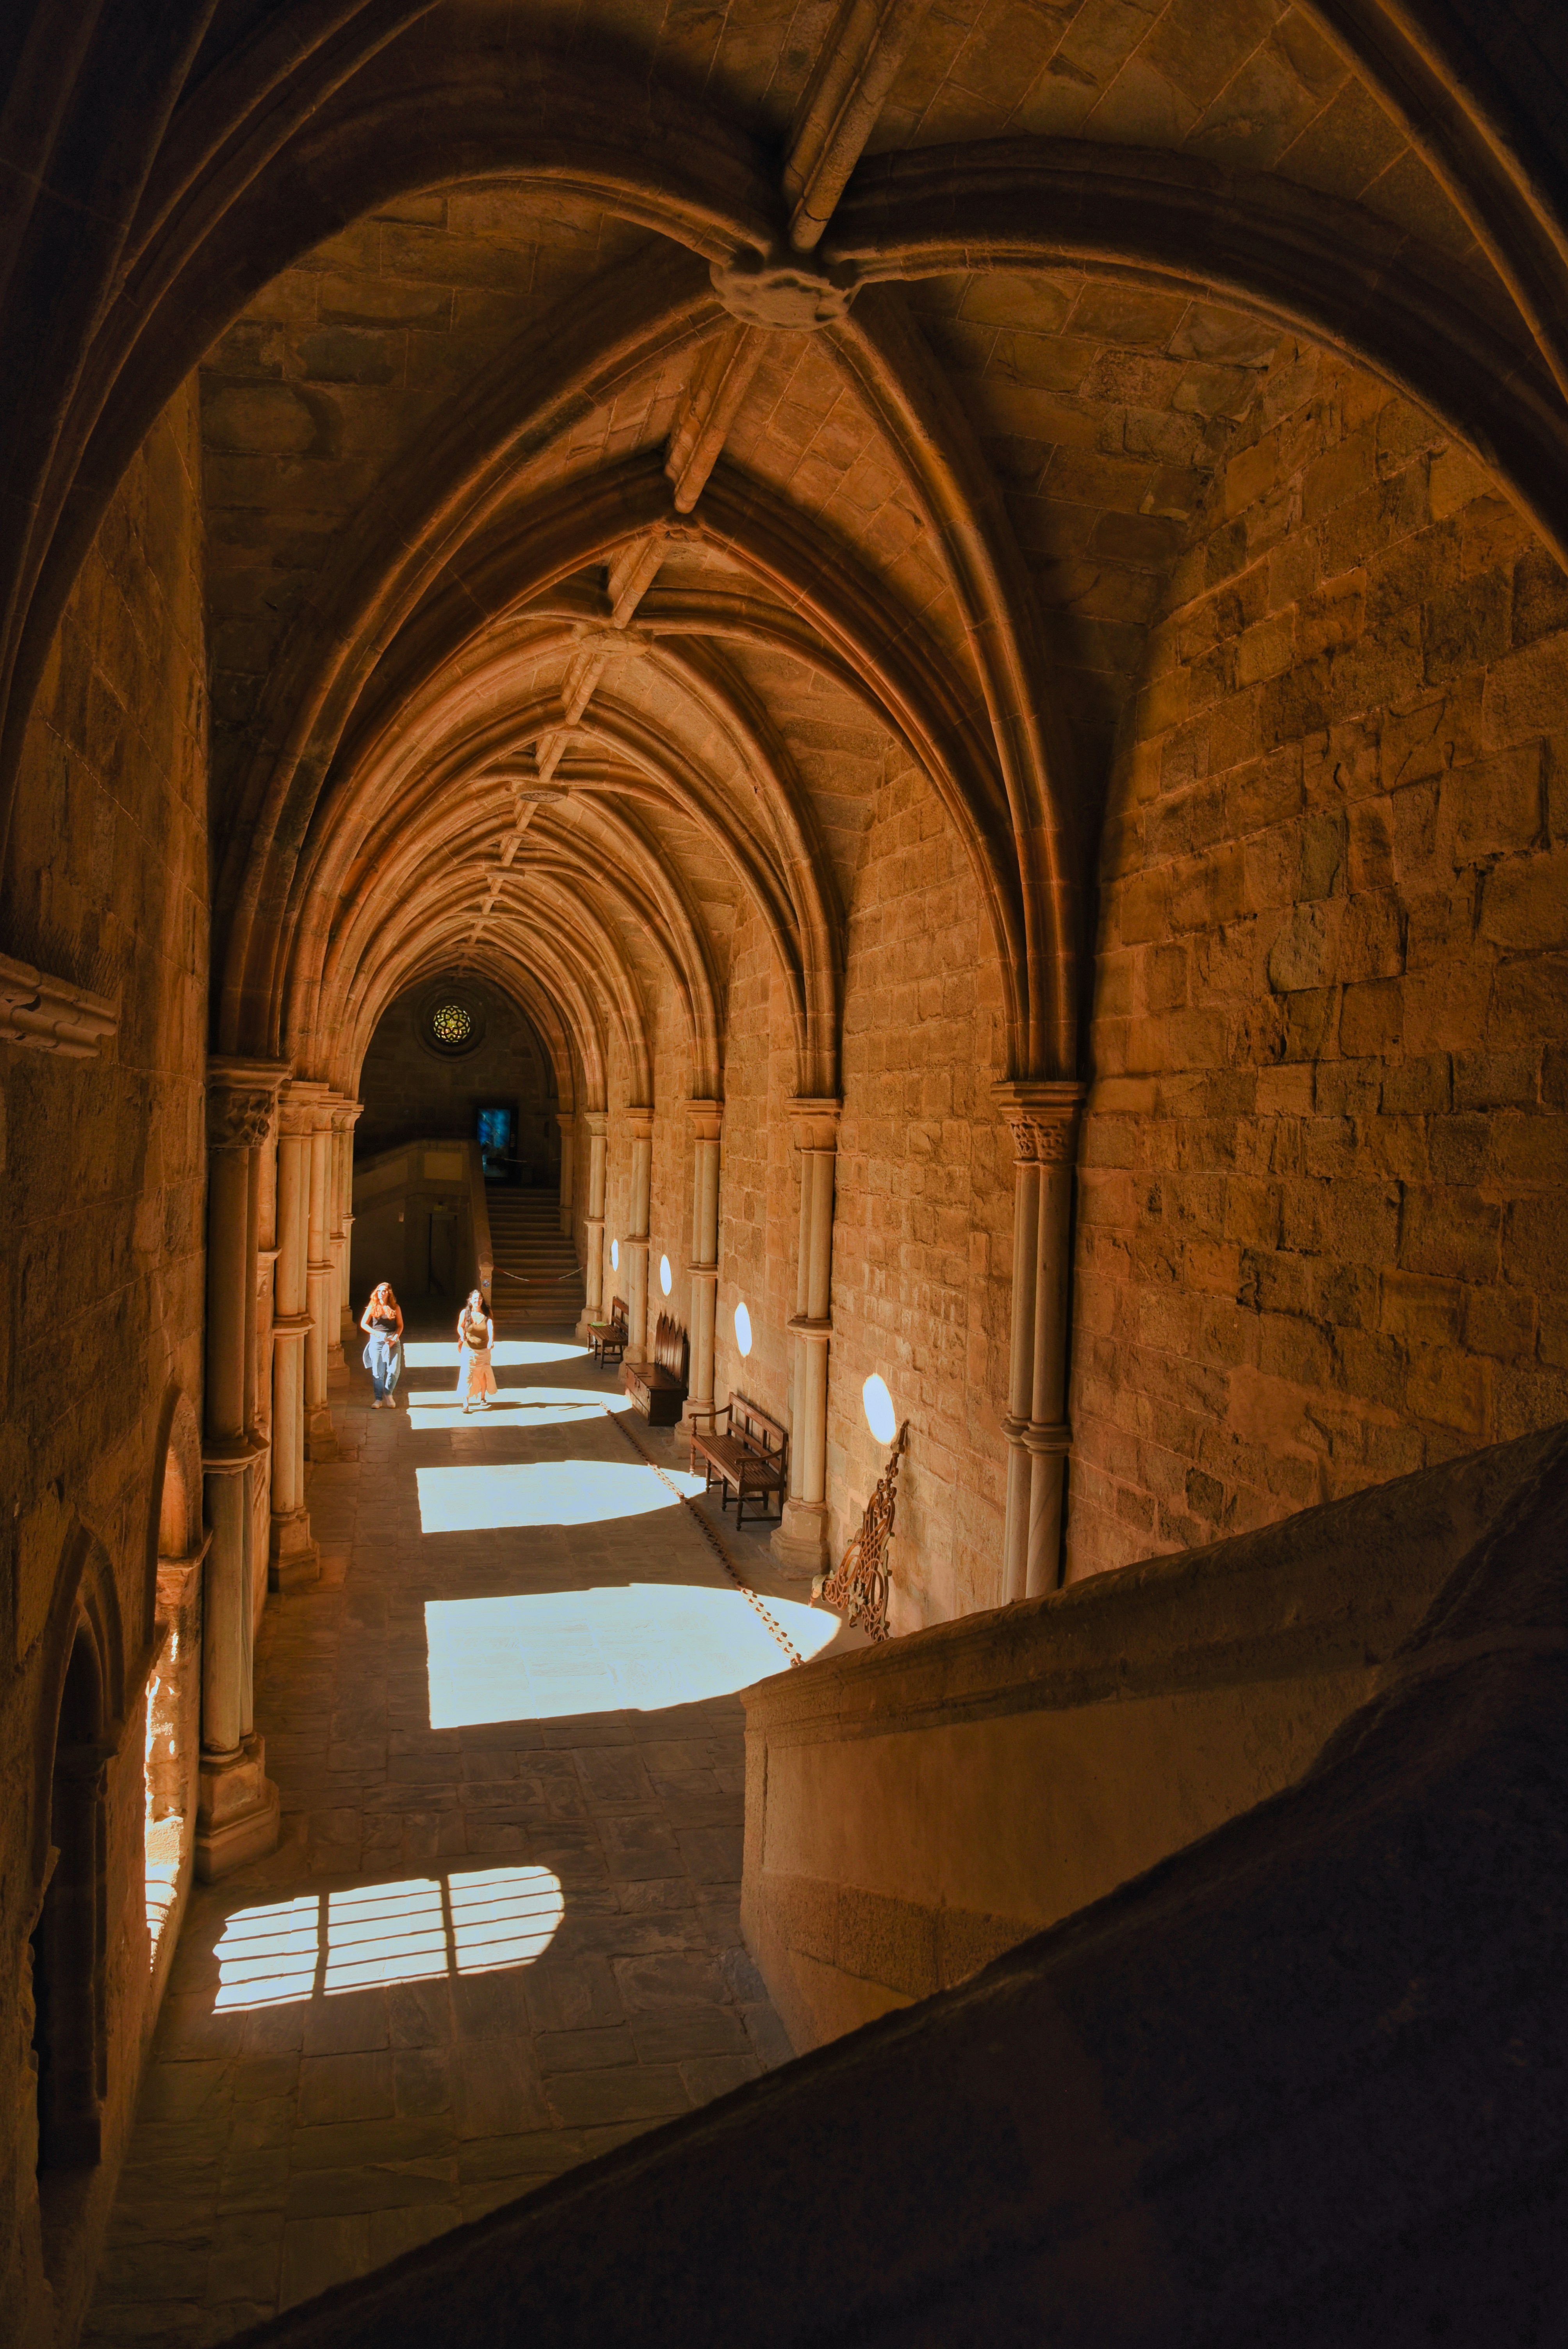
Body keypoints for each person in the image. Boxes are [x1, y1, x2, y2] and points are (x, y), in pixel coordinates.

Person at [360, 1283, 404, 1407]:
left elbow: (400, 1326)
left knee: (395, 1370)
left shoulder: (395, 1308)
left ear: (389, 1293)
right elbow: (364, 1324)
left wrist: (394, 1339)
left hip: (393, 1340)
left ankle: (388, 1394)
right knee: (378, 1373)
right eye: (379, 1291)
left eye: (384, 1291)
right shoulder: (373, 1307)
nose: (381, 1293)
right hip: (377, 1341)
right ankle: (378, 1399)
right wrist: (376, 1333)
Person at [455, 1288, 496, 1413]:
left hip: (484, 1350)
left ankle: (483, 1398)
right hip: (469, 1350)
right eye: (475, 1299)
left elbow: (491, 1326)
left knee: (483, 1373)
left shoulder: (487, 1312)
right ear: (470, 1300)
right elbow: (460, 1327)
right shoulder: (465, 1313)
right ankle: (466, 1404)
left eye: (479, 1298)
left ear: (482, 1300)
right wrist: (462, 1335)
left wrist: (491, 1340)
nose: (477, 1301)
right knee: (467, 1375)